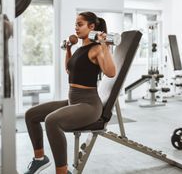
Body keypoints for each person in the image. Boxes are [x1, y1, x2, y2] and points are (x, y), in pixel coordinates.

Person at [24, 11, 116, 174]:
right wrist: (68, 49)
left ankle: (62, 171)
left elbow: (111, 72)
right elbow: (69, 69)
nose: (76, 28)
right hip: (73, 101)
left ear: (92, 27)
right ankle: (39, 159)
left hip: (89, 105)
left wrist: (104, 45)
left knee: (51, 121)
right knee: (31, 115)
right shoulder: (81, 49)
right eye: (76, 25)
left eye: (80, 24)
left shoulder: (96, 49)